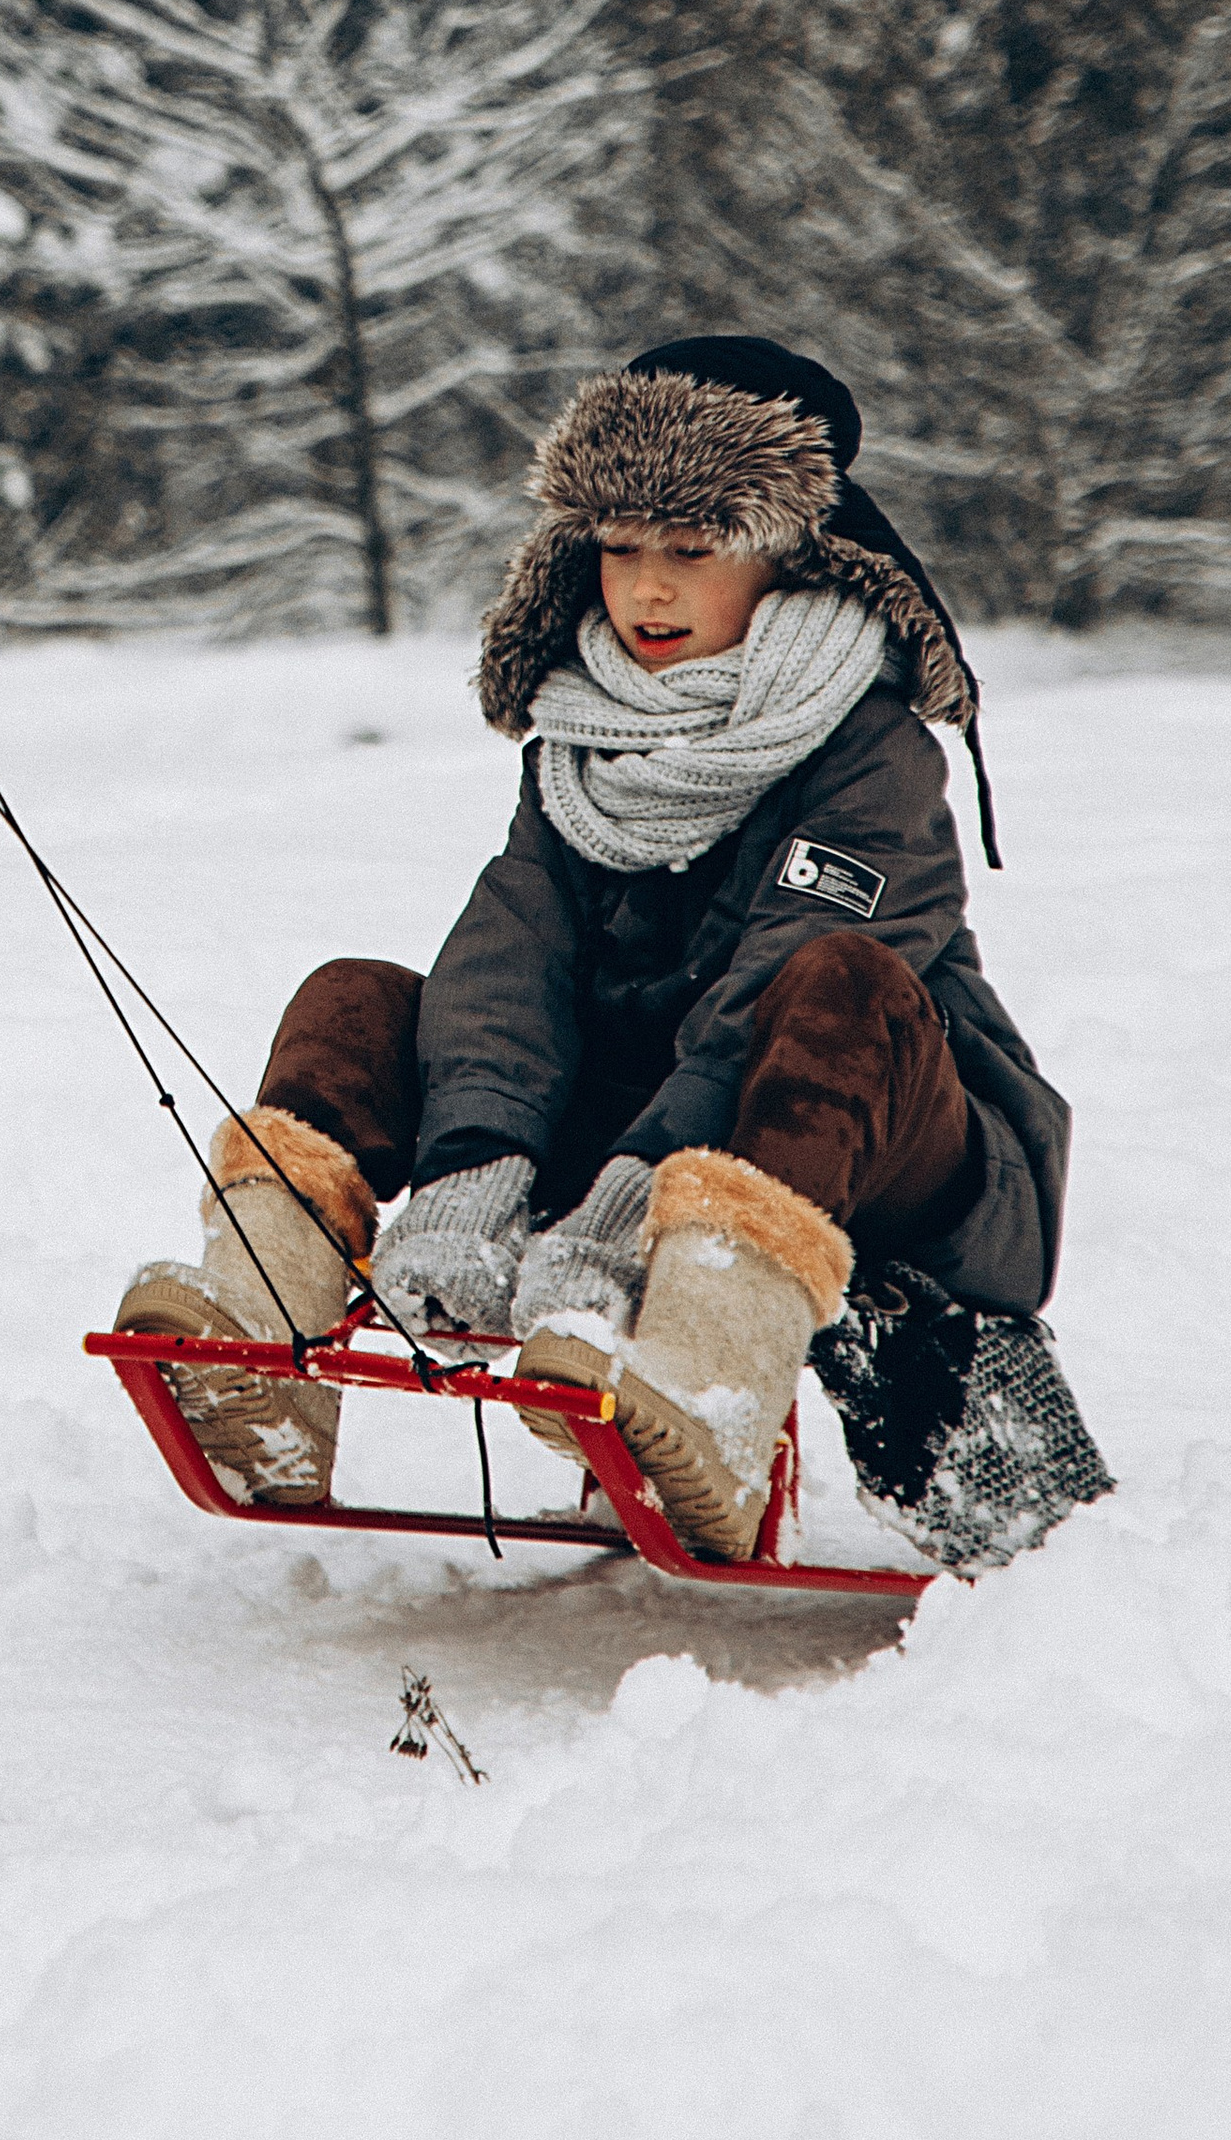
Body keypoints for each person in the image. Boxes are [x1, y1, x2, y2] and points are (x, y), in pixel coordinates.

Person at [117, 338, 1110, 1573]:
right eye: (620, 547)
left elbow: (773, 989)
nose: (646, 589)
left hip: (879, 1140)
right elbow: (511, 950)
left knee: (831, 986)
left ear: (787, 551)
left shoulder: (871, 747)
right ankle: (267, 1340)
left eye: (691, 552)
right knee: (354, 1002)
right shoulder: (581, 733)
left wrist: (639, 1188)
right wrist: (475, 1165)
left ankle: (706, 1393)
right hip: (629, 1134)